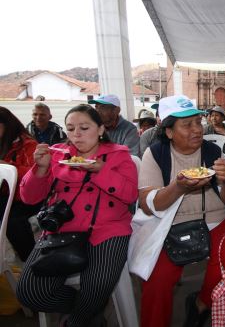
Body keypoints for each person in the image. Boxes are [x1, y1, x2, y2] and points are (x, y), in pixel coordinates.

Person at [16, 104, 138, 327]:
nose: (77, 134)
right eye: (71, 129)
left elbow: (130, 196)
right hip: (62, 229)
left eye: (84, 127)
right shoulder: (57, 154)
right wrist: (40, 169)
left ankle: (77, 321)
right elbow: (28, 198)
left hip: (107, 229)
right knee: (30, 293)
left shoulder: (119, 155)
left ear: (100, 129)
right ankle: (90, 309)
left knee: (98, 284)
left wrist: (101, 172)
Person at [138, 95, 225, 327]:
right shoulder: (156, 154)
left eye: (198, 121)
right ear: (168, 131)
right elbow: (147, 202)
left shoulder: (213, 152)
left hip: (214, 220)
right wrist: (178, 186)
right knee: (157, 280)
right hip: (170, 225)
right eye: (187, 125)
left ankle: (201, 303)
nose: (197, 129)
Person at [0, 107, 39, 262]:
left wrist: (9, 167)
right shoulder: (2, 143)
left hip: (27, 197)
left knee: (12, 221)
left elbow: (35, 176)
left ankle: (31, 261)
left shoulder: (29, 145)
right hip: (8, 195)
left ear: (7, 126)